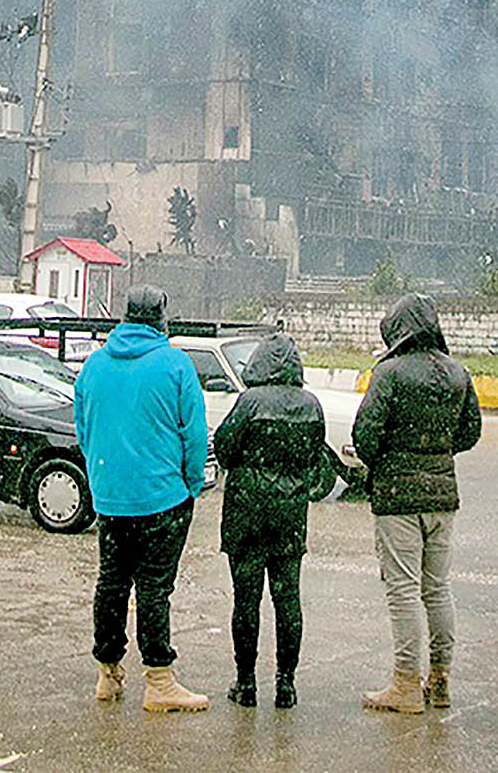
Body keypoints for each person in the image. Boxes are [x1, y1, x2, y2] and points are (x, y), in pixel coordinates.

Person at [72, 284, 211, 713]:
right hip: (162, 498)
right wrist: (190, 486)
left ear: (126, 317)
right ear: (161, 318)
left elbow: (82, 428)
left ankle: (108, 672)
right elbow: (195, 434)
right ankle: (159, 679)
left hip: (111, 499)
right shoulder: (175, 366)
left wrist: (103, 480)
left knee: (111, 584)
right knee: (154, 589)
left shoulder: (93, 366)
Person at [351, 292, 482, 715]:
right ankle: (440, 680)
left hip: (397, 499)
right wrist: (436, 454)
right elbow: (470, 433)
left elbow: (364, 435)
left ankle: (406, 684)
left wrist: (388, 461)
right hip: (443, 497)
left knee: (403, 590)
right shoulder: (458, 373)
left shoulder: (389, 373)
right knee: (437, 589)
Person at [213, 331, 326, 710]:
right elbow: (314, 457)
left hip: (247, 512)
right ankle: (286, 683)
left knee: (246, 600)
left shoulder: (249, 402)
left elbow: (225, 450)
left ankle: (246, 682)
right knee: (287, 598)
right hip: (289, 514)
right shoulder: (311, 404)